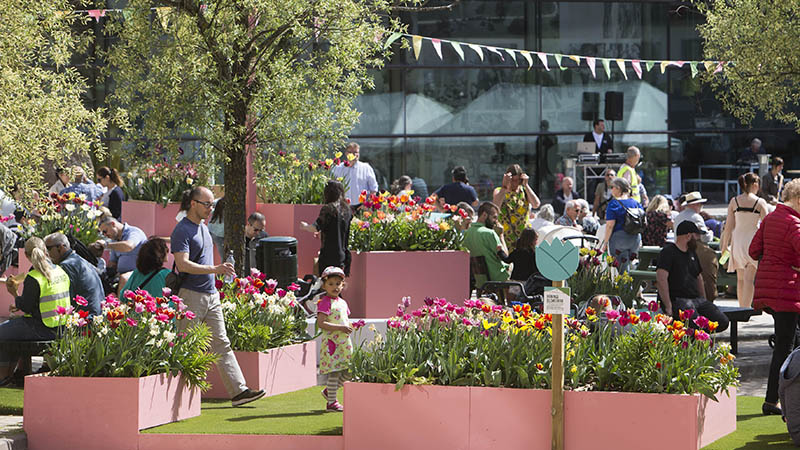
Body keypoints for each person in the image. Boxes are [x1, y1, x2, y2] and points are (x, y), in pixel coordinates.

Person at [171, 186, 265, 406]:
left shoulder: (203, 228)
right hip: (191, 294)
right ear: (192, 204)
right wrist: (215, 270)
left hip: (210, 294)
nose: (210, 209)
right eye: (207, 204)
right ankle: (183, 399)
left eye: (212, 204)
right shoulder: (182, 230)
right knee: (188, 345)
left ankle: (239, 391)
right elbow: (182, 264)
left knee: (221, 343)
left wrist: (215, 275)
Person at [749, 178, 800, 416]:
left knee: (785, 344)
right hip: (788, 291)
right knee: (785, 346)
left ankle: (773, 399)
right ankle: (778, 400)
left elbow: (753, 250)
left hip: (768, 290)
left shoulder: (770, 219)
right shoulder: (794, 223)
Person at [0, 237, 71, 382]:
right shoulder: (60, 271)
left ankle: (4, 375)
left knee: (3, 332)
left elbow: (25, 306)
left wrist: (14, 293)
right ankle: (14, 373)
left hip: (40, 327)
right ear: (45, 251)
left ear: (26, 256)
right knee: (12, 332)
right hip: (60, 328)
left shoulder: (34, 277)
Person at [656, 221, 729, 332]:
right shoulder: (668, 252)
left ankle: (700, 339)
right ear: (688, 236)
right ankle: (697, 342)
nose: (699, 239)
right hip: (677, 299)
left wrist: (704, 300)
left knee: (722, 321)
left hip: (696, 299)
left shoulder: (692, 253)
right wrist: (668, 306)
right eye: (697, 236)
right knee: (696, 324)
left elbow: (698, 277)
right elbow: (661, 279)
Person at [720, 173, 772, 308]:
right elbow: (766, 225)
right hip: (752, 240)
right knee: (749, 279)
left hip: (737, 241)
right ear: (755, 184)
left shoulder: (734, 201)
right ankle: (746, 308)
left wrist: (725, 245)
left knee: (740, 279)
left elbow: (728, 226)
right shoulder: (760, 202)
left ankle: (741, 307)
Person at [315, 266, 353, 412]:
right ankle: (331, 402)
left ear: (343, 285)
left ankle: (329, 391)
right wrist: (340, 328)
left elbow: (344, 319)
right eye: (330, 284)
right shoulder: (325, 302)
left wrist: (349, 326)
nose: (335, 287)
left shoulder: (342, 302)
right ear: (324, 285)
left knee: (349, 370)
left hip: (344, 342)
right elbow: (321, 323)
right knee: (335, 372)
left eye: (338, 283)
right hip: (333, 343)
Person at [300, 180, 352, 276]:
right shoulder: (347, 210)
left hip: (328, 254)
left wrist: (305, 226)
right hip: (343, 254)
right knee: (337, 284)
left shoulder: (328, 208)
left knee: (327, 284)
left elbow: (315, 227)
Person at [44, 232, 102, 317]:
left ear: (61, 247)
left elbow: (65, 300)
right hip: (96, 316)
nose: (46, 254)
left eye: (48, 248)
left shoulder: (67, 265)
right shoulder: (78, 260)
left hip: (85, 320)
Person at [674, 192, 718, 301]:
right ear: (695, 205)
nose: (701, 207)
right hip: (695, 250)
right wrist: (710, 232)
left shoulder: (679, 216)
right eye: (700, 204)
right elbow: (705, 238)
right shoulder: (696, 217)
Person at [492, 164, 541, 251]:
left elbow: (536, 204)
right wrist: (504, 187)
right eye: (512, 180)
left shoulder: (524, 191)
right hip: (506, 237)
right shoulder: (500, 191)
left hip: (524, 238)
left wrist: (526, 185)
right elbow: (495, 207)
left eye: (518, 180)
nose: (515, 183)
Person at [600, 177, 643, 274]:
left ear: (618, 188)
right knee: (631, 269)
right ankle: (635, 288)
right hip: (635, 239)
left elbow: (610, 225)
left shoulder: (614, 204)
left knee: (623, 272)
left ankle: (628, 289)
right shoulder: (636, 203)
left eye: (612, 187)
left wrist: (605, 243)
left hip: (619, 240)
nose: (611, 190)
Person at [95, 216, 148, 292]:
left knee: (124, 278)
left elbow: (129, 246)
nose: (104, 235)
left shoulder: (134, 232)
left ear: (113, 224)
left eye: (105, 231)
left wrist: (107, 245)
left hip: (140, 273)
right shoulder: (114, 241)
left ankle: (120, 303)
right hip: (122, 275)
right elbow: (112, 263)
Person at [464, 201, 510, 285]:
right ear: (484, 215)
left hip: (477, 278)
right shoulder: (490, 233)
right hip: (496, 276)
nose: (496, 221)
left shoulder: (467, 232)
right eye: (494, 217)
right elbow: (506, 258)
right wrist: (501, 235)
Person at [330, 142, 378, 209]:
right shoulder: (337, 168)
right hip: (342, 207)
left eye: (356, 152)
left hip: (361, 207)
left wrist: (366, 205)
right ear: (346, 153)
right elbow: (331, 189)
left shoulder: (366, 168)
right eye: (351, 152)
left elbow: (373, 189)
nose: (354, 154)